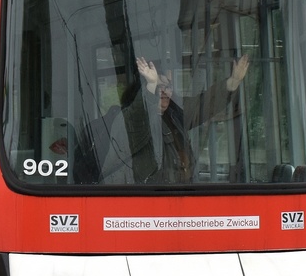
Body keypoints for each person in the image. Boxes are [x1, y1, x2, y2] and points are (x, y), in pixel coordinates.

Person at [101, 53, 249, 185]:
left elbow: (202, 105)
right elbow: (137, 118)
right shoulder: (128, 119)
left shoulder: (174, 113)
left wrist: (232, 82)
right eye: (159, 88)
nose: (165, 92)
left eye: (168, 86)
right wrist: (151, 85)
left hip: (176, 196)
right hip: (141, 200)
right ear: (143, 90)